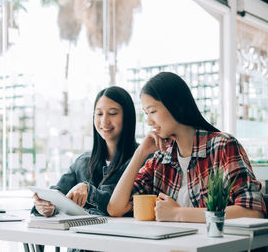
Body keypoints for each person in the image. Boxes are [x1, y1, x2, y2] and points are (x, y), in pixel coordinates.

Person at [108, 72, 266, 222]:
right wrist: (140, 153)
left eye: (153, 111)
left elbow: (252, 212)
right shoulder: (160, 159)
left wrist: (178, 214)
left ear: (175, 105)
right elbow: (115, 208)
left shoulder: (223, 146)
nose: (149, 121)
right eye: (146, 114)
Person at [33, 86, 138, 218]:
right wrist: (45, 206)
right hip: (80, 236)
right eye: (99, 114)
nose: (104, 121)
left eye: (112, 113)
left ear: (127, 117)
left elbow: (121, 205)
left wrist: (89, 191)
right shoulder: (84, 161)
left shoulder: (142, 159)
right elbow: (58, 193)